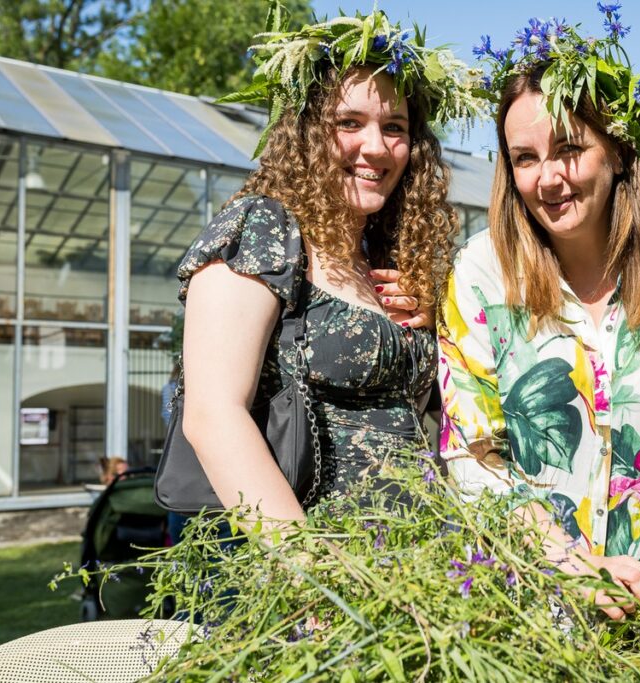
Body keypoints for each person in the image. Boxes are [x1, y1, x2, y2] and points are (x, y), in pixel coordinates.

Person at [439, 8, 640, 620]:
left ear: (618, 151)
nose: (548, 178)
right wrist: (573, 566)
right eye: (525, 158)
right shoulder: (479, 271)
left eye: (570, 149)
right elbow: (472, 450)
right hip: (527, 601)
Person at [176, 8, 483, 526]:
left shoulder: (386, 260)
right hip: (306, 571)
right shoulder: (263, 228)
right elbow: (212, 415)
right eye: (349, 123)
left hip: (413, 566)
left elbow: (433, 416)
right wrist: (309, 574)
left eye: (395, 127)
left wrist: (439, 330)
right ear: (305, 133)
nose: (376, 147)